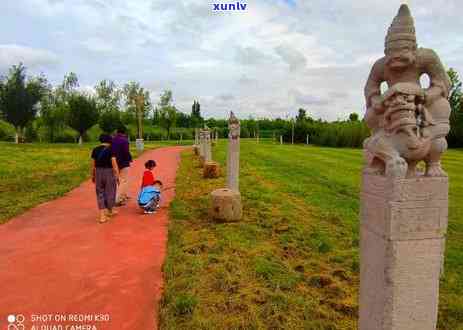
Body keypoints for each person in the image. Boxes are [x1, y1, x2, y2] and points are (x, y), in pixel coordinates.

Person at [91, 134, 120, 223]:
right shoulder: (111, 149)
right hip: (109, 172)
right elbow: (114, 163)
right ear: (109, 140)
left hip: (98, 172)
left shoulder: (95, 150)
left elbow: (93, 164)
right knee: (110, 191)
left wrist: (93, 175)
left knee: (100, 193)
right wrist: (117, 175)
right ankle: (110, 211)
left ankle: (102, 216)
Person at [112, 127, 132, 206]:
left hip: (114, 162)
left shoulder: (112, 140)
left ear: (117, 131)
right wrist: (129, 159)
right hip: (123, 163)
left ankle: (123, 196)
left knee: (118, 180)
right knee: (123, 180)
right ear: (124, 133)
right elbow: (126, 152)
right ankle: (117, 199)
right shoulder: (125, 140)